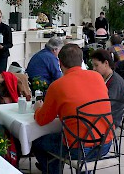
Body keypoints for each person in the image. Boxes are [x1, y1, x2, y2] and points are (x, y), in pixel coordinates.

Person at [32, 44, 113, 174]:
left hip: (79, 149)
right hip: (105, 144)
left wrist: (38, 108)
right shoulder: (98, 77)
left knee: (37, 142)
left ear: (60, 63)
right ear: (82, 61)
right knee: (66, 137)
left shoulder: (57, 86)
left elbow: (42, 120)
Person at [91, 49, 124, 127]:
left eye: (96, 65)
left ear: (106, 63)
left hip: (111, 120)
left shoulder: (116, 82)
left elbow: (107, 103)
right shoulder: (106, 77)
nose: (94, 69)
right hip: (105, 116)